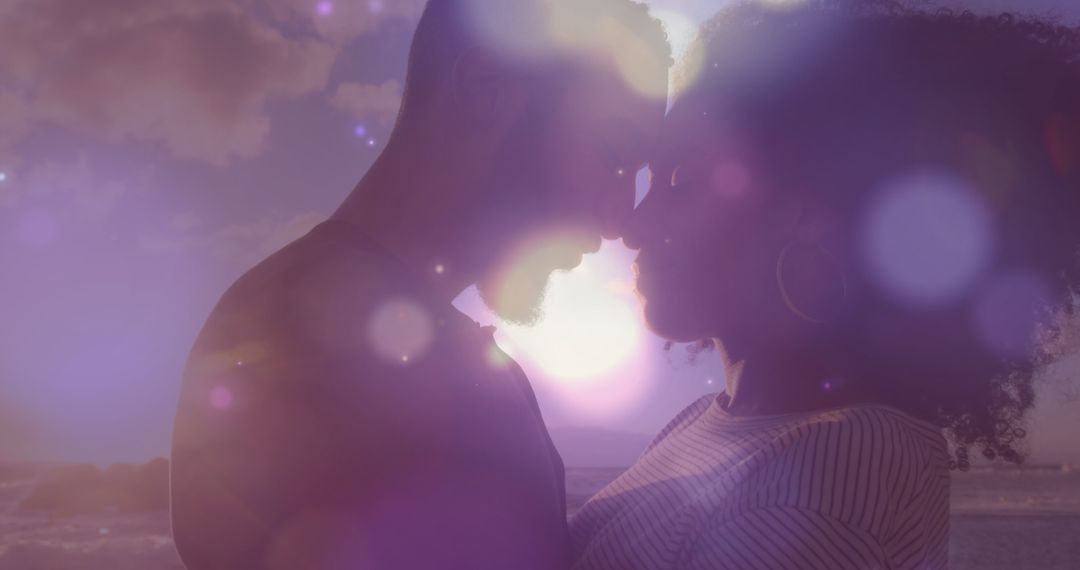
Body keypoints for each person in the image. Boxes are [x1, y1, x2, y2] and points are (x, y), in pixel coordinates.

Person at [571, 1, 1080, 569]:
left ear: (805, 210)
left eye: (681, 181)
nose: (635, 225)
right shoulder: (728, 420)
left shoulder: (818, 476)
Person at [170, 1, 670, 568]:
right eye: (614, 156)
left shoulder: (433, 354)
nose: (618, 221)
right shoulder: (304, 352)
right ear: (484, 89)